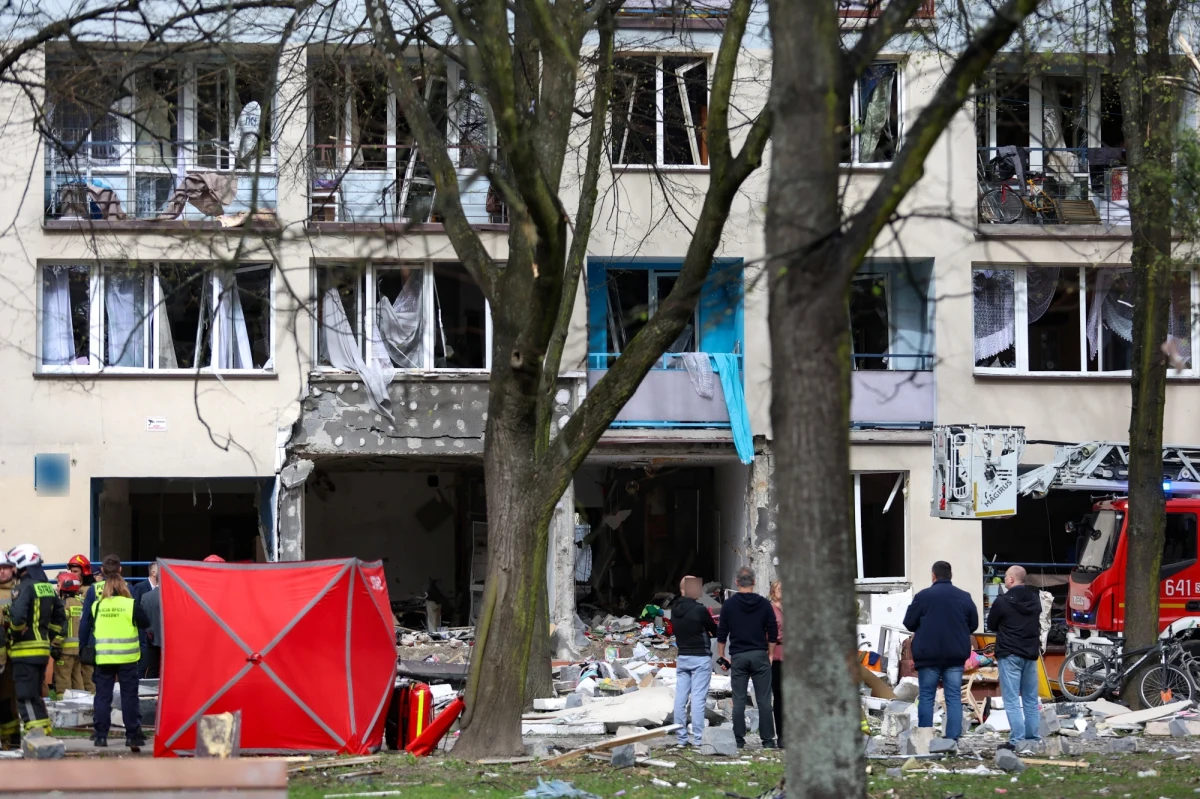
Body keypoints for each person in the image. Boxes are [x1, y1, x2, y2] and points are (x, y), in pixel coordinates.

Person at [902, 561, 977, 742]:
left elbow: (909, 622)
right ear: (951, 576)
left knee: (927, 697)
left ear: (933, 576)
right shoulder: (964, 597)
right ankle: (952, 740)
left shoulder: (923, 596)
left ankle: (925, 739)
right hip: (955, 656)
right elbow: (973, 625)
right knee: (953, 698)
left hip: (928, 656)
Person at [87, 555, 149, 750]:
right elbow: (145, 623)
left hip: (104, 657)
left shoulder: (97, 606)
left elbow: (88, 625)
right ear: (123, 585)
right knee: (129, 696)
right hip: (127, 658)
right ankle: (132, 736)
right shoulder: (130, 604)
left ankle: (101, 736)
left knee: (103, 696)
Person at [6, 544, 65, 738]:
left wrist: (14, 634)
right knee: (36, 696)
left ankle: (36, 735)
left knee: (26, 697)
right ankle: (45, 733)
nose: (12, 570)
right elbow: (60, 617)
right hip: (42, 652)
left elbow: (17, 618)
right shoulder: (47, 587)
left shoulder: (23, 588)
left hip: (24, 652)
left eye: (13, 565)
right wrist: (49, 638)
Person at [717, 566, 778, 749]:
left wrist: (721, 655)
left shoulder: (728, 605)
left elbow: (722, 632)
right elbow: (773, 631)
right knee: (764, 700)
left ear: (736, 582)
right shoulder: (764, 604)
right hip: (760, 655)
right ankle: (767, 740)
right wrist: (771, 654)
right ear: (754, 582)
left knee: (739, 700)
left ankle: (739, 740)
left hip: (739, 657)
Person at [987, 565, 1043, 752]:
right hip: (1030, 654)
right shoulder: (1035, 600)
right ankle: (1033, 738)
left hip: (1009, 653)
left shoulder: (1002, 601)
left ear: (1011, 580)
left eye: (1005, 577)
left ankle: (1017, 739)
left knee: (1011, 699)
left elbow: (991, 624)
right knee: (1030, 699)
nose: (1004, 580)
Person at [671, 575, 719, 747]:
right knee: (698, 699)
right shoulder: (699, 610)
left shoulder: (674, 610)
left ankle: (681, 739)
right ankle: (698, 739)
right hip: (700, 658)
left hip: (682, 656)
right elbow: (714, 629)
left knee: (680, 699)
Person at [53, 572, 86, 695]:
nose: (56, 587)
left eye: (58, 583)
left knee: (63, 679)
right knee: (77, 678)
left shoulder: (64, 604)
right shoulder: (80, 603)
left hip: (65, 650)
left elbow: (62, 626)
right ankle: (81, 703)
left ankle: (64, 707)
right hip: (77, 649)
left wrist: (55, 644)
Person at [69, 554, 97, 692]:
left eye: (75, 571)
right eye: (71, 571)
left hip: (87, 637)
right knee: (76, 676)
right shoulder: (70, 589)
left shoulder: (91, 590)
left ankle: (94, 703)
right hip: (73, 639)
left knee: (88, 674)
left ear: (84, 572)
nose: (72, 574)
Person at [0, 552, 19, 748]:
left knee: (9, 699)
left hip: (14, 655)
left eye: (6, 567)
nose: (3, 571)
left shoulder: (19, 591)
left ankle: (12, 738)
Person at [132, 563, 159, 677]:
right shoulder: (140, 587)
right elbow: (137, 609)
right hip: (144, 633)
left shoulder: (159, 590)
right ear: (153, 572)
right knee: (144, 663)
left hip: (155, 632)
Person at [768, 580, 784, 747]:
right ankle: (782, 736)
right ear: (773, 591)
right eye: (780, 589)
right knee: (780, 697)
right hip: (777, 657)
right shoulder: (770, 610)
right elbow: (770, 634)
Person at [139, 574, 163, 680]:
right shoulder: (173, 596)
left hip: (151, 636)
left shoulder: (145, 596)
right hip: (169, 638)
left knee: (152, 668)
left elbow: (143, 617)